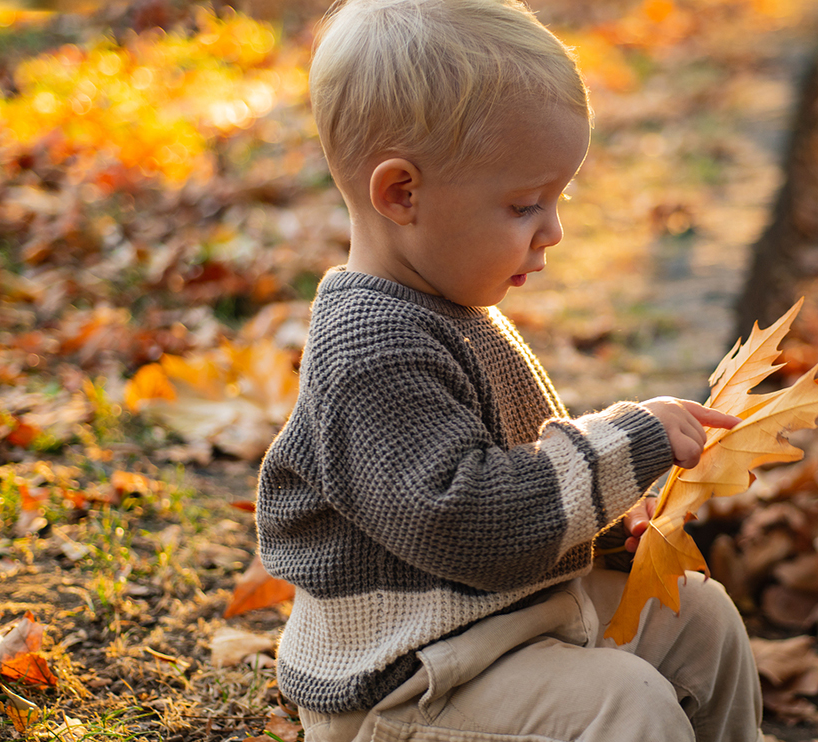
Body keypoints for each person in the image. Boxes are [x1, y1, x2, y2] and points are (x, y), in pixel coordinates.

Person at [254, 0, 765, 740]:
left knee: (699, 619)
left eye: (556, 199)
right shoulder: (370, 352)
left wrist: (601, 530)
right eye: (526, 204)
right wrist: (628, 442)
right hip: (403, 683)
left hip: (491, 625)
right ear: (402, 194)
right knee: (624, 704)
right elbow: (472, 525)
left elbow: (509, 491)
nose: (553, 230)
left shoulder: (446, 305)